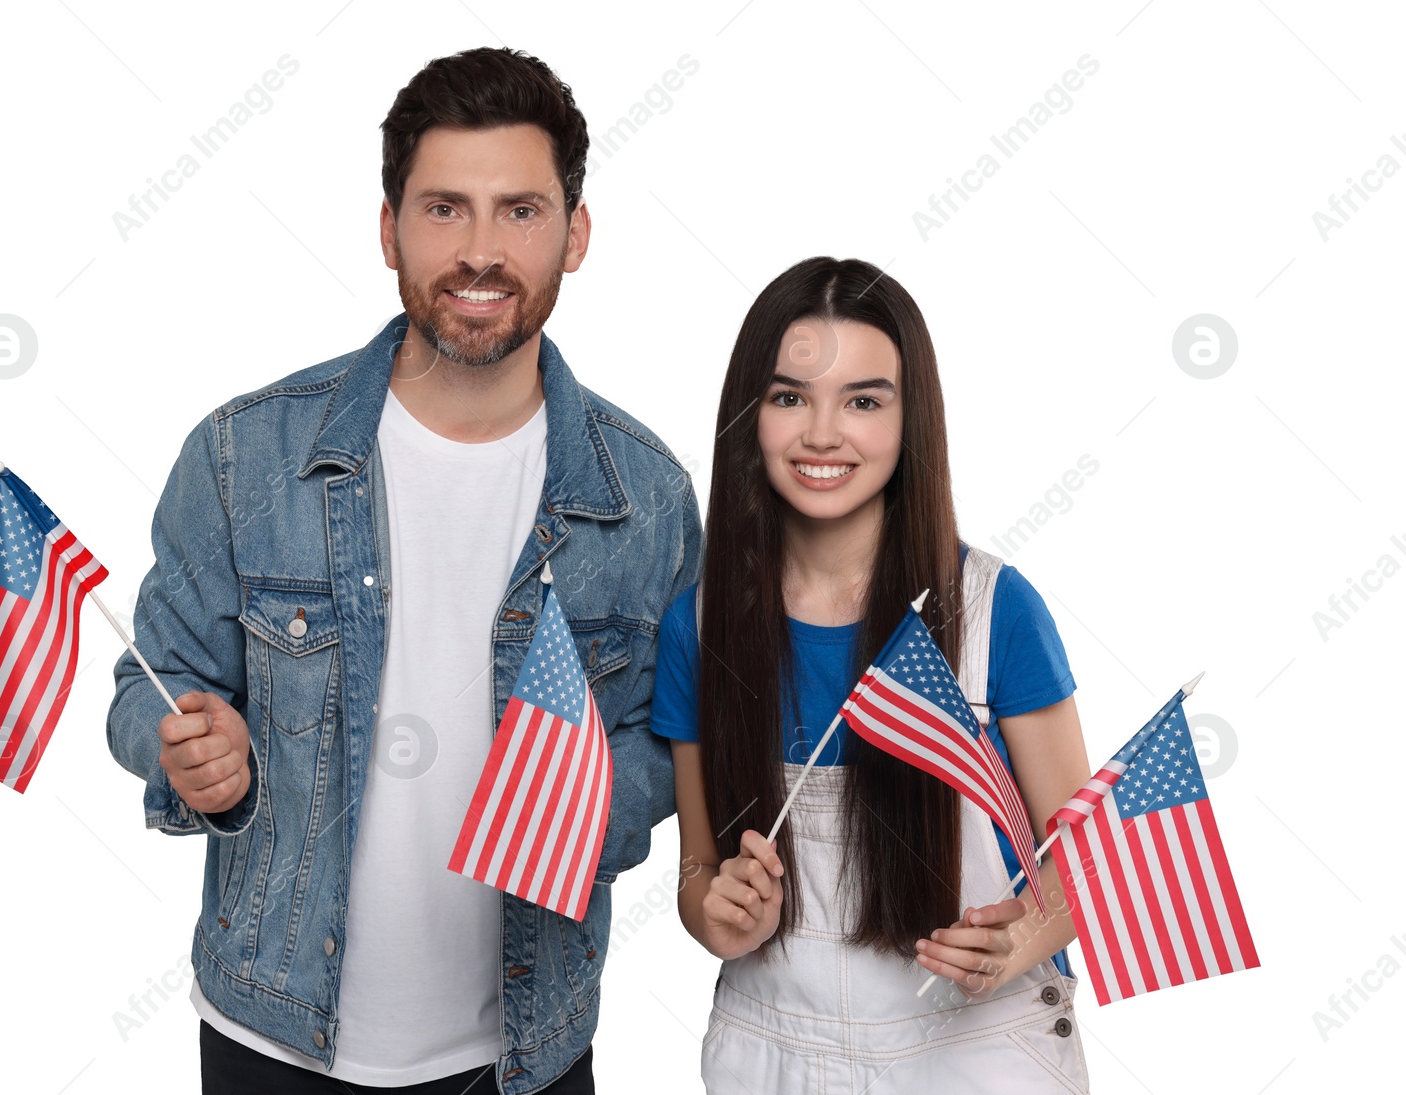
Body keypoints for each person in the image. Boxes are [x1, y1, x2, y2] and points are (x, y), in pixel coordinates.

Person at [105, 47, 701, 1095]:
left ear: (577, 234)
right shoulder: (245, 457)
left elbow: (673, 735)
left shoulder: (644, 493)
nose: (481, 251)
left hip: (525, 1047)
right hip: (271, 1036)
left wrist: (582, 813)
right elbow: (140, 688)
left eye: (520, 210)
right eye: (443, 210)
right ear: (388, 230)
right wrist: (187, 751)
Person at [650, 256, 1094, 1092]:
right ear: (751, 414)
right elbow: (695, 872)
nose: (824, 433)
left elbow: (1091, 861)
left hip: (978, 1052)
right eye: (790, 397)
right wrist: (717, 913)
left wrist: (1020, 938)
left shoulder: (997, 612)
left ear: (909, 417)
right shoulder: (701, 625)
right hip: (773, 1053)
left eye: (863, 400)